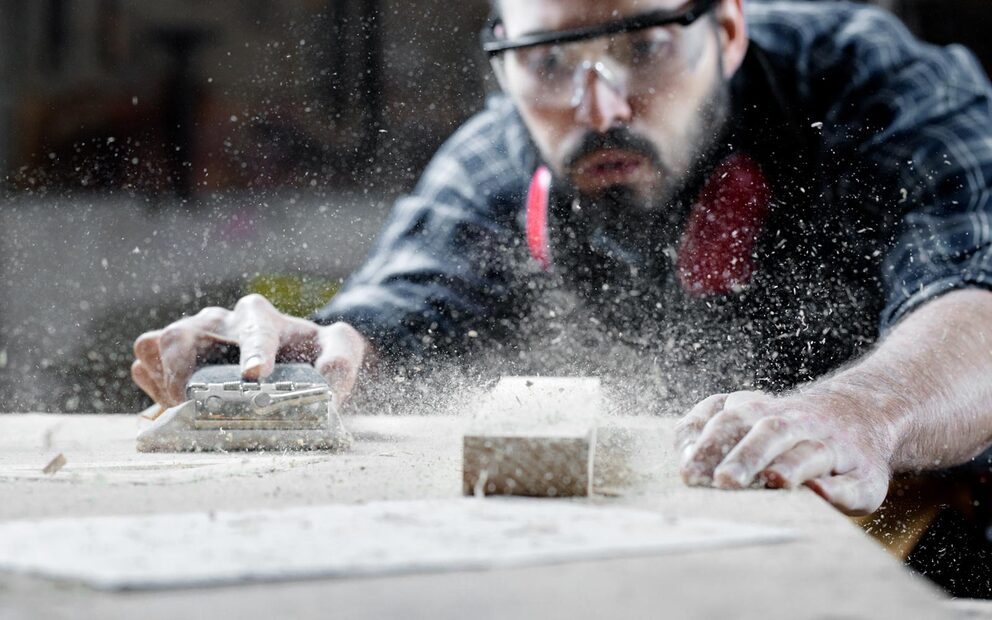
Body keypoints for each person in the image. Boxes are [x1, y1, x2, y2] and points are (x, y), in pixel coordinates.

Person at [132, 0, 992, 517]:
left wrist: (861, 413)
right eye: (547, 61)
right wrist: (307, 354)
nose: (599, 106)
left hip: (942, 517)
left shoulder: (867, 80)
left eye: (643, 45)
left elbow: (977, 301)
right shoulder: (503, 150)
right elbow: (396, 312)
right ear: (503, 54)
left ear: (727, 29)